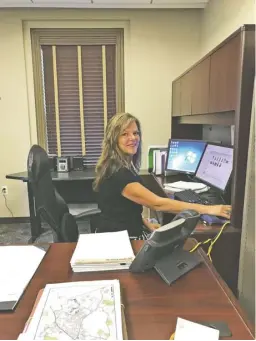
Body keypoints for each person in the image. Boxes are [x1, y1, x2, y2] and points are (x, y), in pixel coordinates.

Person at [93, 113, 232, 238]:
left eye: (135, 133)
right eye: (124, 134)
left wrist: (146, 223)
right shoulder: (119, 175)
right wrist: (211, 209)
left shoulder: (117, 165)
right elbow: (157, 203)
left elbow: (123, 208)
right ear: (113, 139)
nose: (133, 138)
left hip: (123, 231)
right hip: (120, 240)